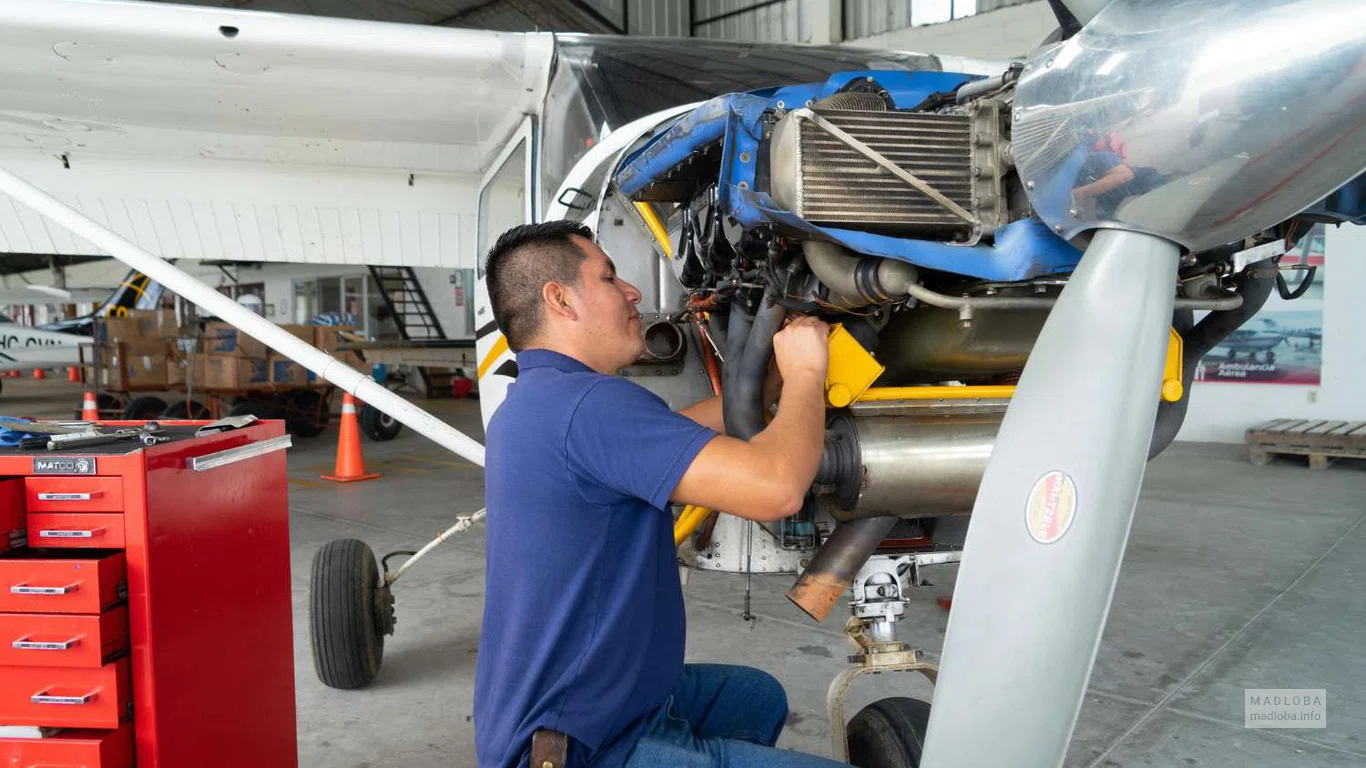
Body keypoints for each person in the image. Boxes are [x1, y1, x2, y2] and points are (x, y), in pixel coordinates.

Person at [474, 220, 847, 768]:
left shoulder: (541, 400)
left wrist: (768, 387)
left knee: (755, 698)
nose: (633, 292)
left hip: (581, 702)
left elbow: (671, 439)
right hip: (583, 747)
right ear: (560, 300)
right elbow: (778, 489)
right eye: (609, 277)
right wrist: (808, 373)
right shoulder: (588, 408)